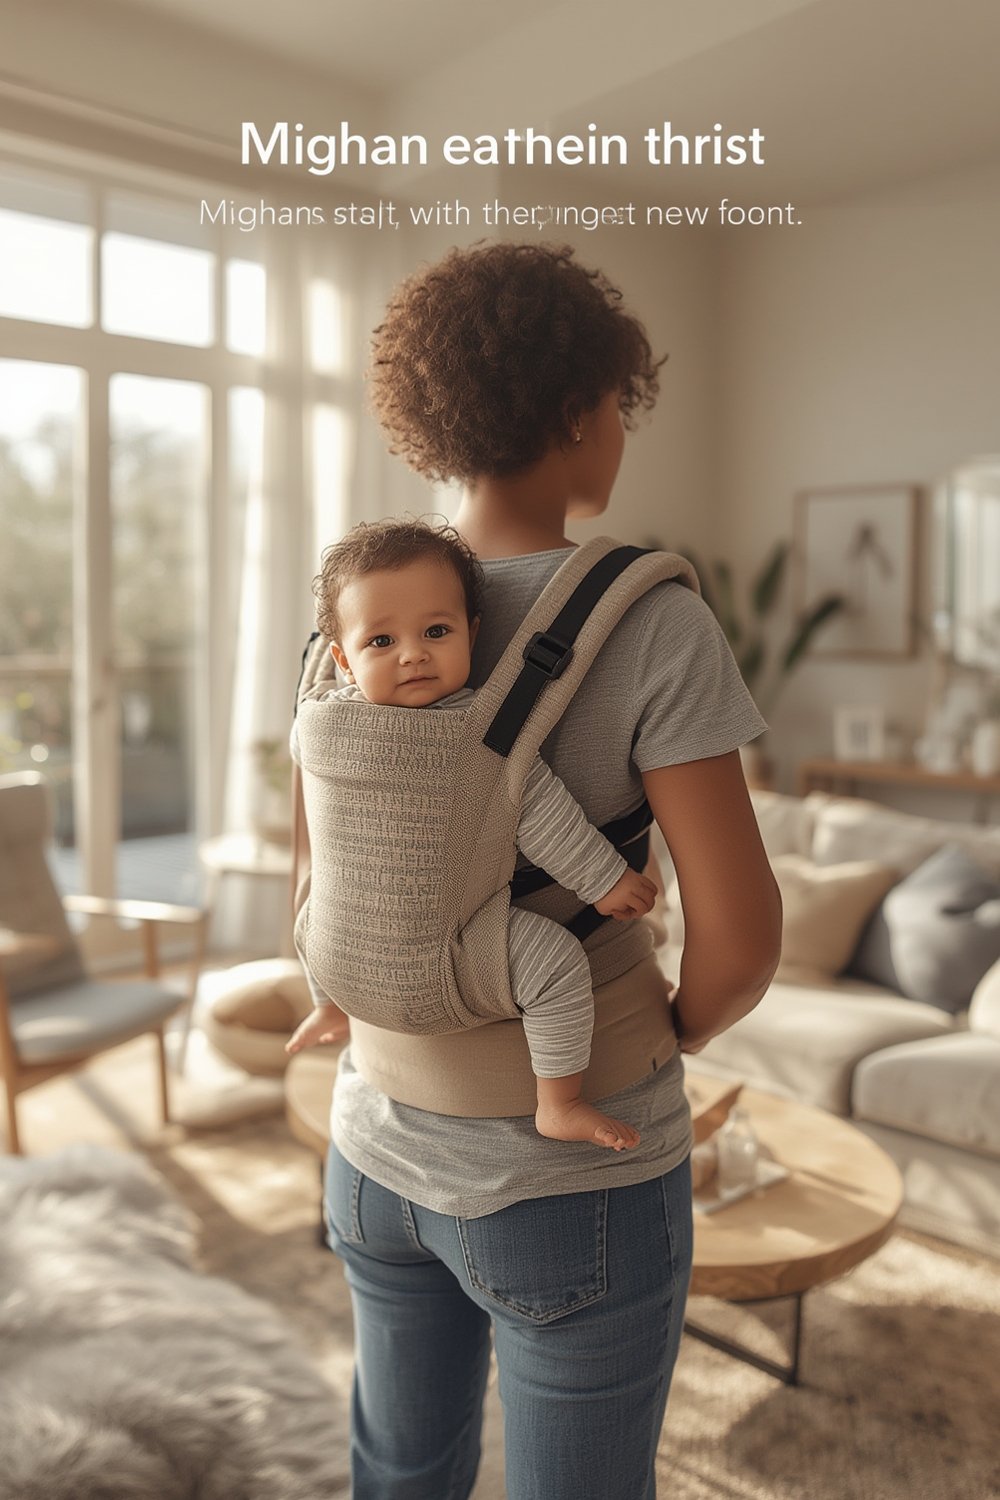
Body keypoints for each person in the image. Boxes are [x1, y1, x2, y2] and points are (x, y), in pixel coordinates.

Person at [287, 241, 782, 1500]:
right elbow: (739, 945)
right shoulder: (649, 616)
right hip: (571, 1175)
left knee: (401, 1473)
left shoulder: (352, 622)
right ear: (576, 411)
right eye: (616, 405)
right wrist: (655, 1030)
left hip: (373, 1142)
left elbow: (320, 885)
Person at [288, 515, 657, 1150]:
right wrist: (607, 883)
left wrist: (601, 879)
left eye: (437, 631)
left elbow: (544, 817)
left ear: (473, 634)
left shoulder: (320, 719)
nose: (413, 654)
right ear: (343, 660)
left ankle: (556, 1102)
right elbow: (539, 815)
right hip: (386, 952)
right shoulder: (469, 736)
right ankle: (330, 1005)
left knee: (551, 966)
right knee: (313, 904)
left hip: (423, 949)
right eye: (381, 641)